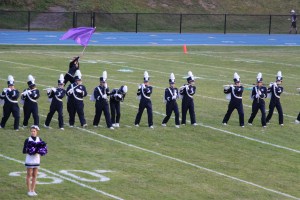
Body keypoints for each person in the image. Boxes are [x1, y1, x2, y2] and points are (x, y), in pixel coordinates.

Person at [23, 125, 47, 196]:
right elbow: (24, 151)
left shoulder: (39, 139)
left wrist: (40, 151)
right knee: (29, 175)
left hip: (36, 159)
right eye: (32, 131)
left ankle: (33, 190)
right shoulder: (27, 139)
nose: (33, 132)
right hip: (30, 159)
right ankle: (29, 190)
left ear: (37, 132)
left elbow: (44, 148)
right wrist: (30, 150)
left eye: (34, 131)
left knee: (35, 175)